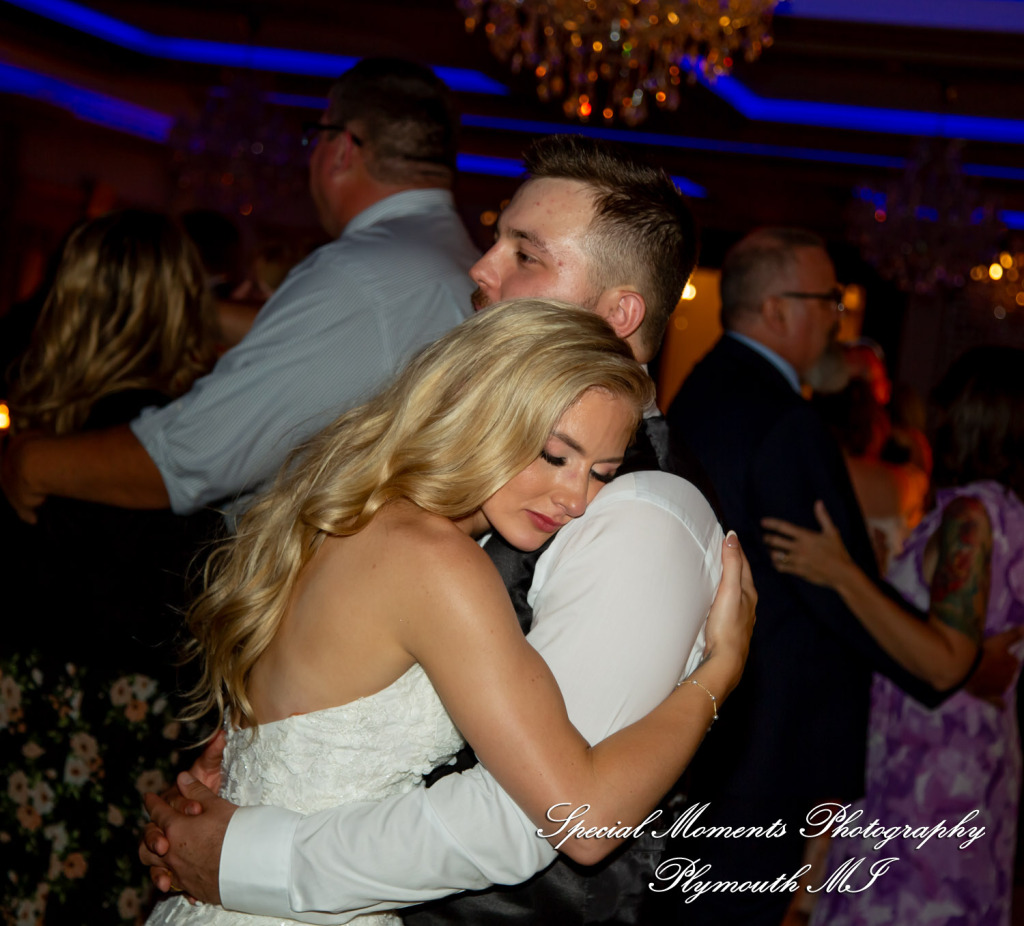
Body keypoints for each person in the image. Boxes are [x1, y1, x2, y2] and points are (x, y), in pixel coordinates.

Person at [140, 135, 724, 926]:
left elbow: (529, 823)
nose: (480, 268)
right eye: (558, 455)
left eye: (525, 254)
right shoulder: (439, 529)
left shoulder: (638, 515)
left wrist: (247, 842)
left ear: (621, 314)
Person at [1, 57, 479, 522]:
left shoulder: (360, 275)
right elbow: (351, 347)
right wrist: (175, 303)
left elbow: (191, 458)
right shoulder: (459, 260)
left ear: (340, 150)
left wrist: (32, 463)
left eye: (314, 136)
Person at [654, 227, 965, 926]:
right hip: (765, 738)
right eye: (828, 300)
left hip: (714, 720)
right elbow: (826, 579)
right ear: (776, 309)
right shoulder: (781, 418)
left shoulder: (706, 384)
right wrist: (940, 659)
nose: (837, 318)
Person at [0, 210, 220, 925]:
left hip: (39, 716)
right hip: (133, 731)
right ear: (182, 305)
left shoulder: (45, 438)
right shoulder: (189, 447)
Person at [762, 346, 1024, 925]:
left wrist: (843, 573)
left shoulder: (972, 516)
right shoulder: (1006, 509)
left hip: (929, 773)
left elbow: (945, 660)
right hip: (969, 761)